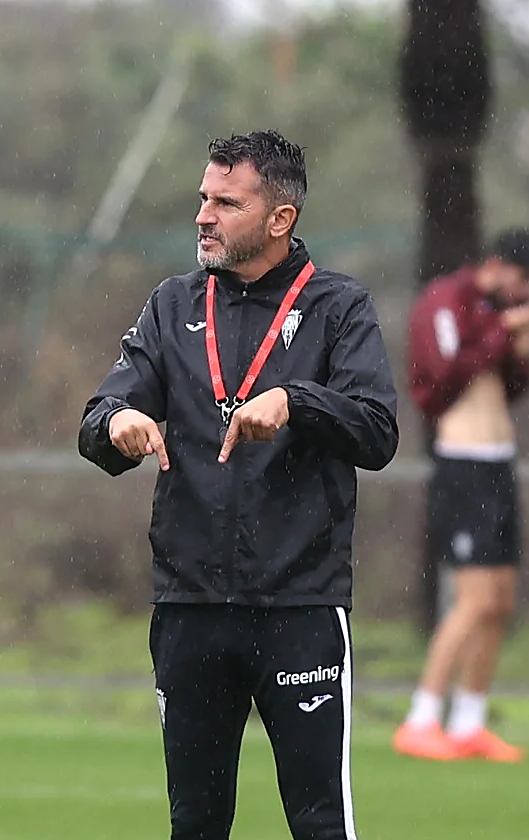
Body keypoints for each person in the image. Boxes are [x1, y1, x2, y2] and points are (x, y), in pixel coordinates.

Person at [78, 130, 399, 840]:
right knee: (195, 824)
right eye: (203, 199)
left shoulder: (339, 308)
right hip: (190, 607)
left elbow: (378, 431)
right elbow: (96, 421)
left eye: (227, 202)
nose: (203, 215)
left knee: (320, 822)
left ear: (279, 219)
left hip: (299, 607)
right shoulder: (171, 305)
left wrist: (297, 401)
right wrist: (120, 421)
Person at [392, 229, 529, 764]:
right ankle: (421, 715)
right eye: (521, 281)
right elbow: (445, 373)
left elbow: (510, 386)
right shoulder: (446, 300)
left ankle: (469, 721)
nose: (523, 293)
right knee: (472, 599)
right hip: (464, 467)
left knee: (499, 602)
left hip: (500, 464)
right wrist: (503, 331)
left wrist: (519, 351)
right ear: (499, 265)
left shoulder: (494, 311)